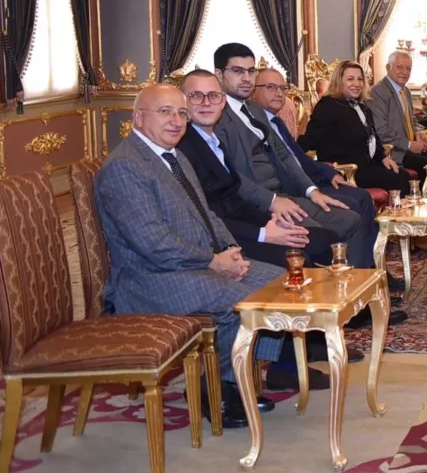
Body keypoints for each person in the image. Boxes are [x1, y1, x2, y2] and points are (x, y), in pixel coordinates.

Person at [95, 84, 288, 428]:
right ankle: (214, 389)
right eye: (165, 112)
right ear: (138, 118)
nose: (176, 121)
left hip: (188, 266)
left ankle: (236, 377)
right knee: (241, 302)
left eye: (181, 113)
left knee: (277, 284)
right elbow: (152, 243)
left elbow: (206, 214)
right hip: (149, 280)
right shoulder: (126, 166)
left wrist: (230, 250)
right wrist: (213, 262)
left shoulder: (174, 156)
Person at [211, 44, 376, 282]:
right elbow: (232, 177)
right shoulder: (216, 116)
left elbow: (285, 154)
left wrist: (312, 192)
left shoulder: (255, 110)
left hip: (285, 194)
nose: (246, 78)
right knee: (320, 237)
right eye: (238, 71)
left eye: (251, 71)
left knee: (351, 219)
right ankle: (329, 294)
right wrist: (272, 201)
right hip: (257, 204)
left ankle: (358, 289)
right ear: (219, 74)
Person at [250, 67, 394, 287]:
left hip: (314, 178)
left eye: (281, 88)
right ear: (254, 92)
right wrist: (317, 181)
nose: (278, 93)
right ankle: (359, 277)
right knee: (354, 203)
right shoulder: (257, 123)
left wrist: (328, 172)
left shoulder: (275, 121)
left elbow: (297, 157)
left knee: (362, 197)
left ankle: (370, 269)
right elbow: (300, 152)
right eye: (271, 87)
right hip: (293, 189)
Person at [300, 61, 412, 193]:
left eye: (360, 79)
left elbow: (373, 136)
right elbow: (311, 139)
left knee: (403, 175)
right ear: (339, 81)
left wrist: (383, 158)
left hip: (367, 165)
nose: (357, 84)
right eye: (350, 79)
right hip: (346, 170)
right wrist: (290, 149)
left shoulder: (362, 106)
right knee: (399, 180)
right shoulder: (327, 106)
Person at [369, 50, 427, 180]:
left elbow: (411, 119)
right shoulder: (378, 92)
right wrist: (409, 145)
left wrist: (418, 131)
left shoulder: (405, 91)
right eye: (399, 67)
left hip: (407, 147)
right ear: (388, 68)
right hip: (393, 151)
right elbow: (381, 130)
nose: (404, 72)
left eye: (408, 68)